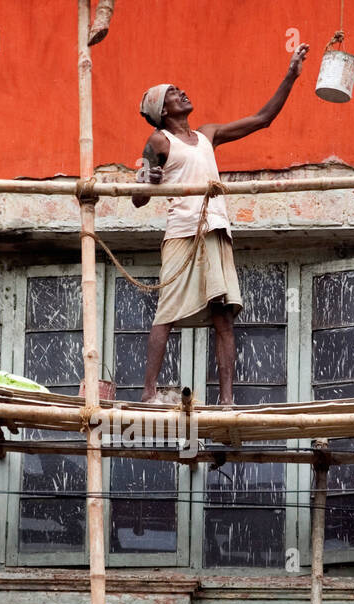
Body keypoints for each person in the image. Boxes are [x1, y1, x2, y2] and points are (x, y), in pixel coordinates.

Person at [134, 44, 310, 406]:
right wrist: (147, 180)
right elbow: (138, 197)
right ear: (162, 111)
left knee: (224, 317)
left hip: (215, 228)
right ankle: (149, 393)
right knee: (166, 313)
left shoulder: (207, 135)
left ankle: (227, 400)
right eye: (173, 93)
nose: (182, 93)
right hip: (183, 231)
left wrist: (290, 75)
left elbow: (263, 119)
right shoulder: (158, 141)